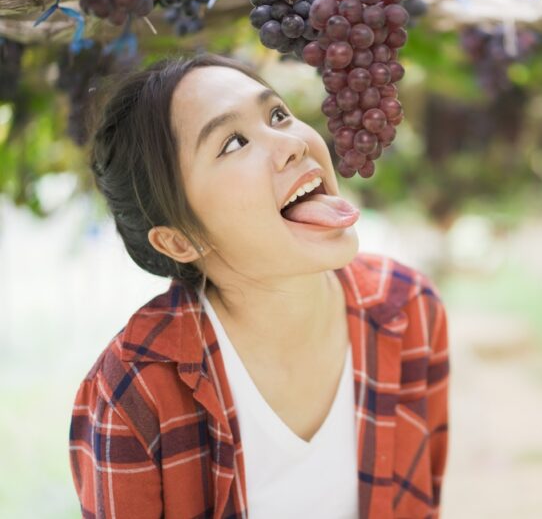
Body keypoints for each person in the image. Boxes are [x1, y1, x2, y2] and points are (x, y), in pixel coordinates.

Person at [67, 53, 450, 519]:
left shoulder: (408, 307)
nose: (292, 144)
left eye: (277, 114)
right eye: (232, 143)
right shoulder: (134, 392)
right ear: (180, 239)